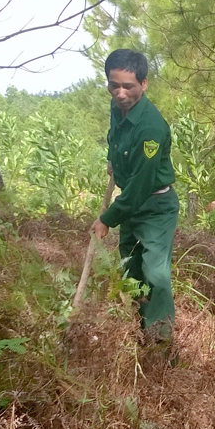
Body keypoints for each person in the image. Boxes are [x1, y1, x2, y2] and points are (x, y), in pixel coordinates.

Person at [92, 49, 179, 343]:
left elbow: (141, 186)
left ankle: (162, 343)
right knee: (130, 271)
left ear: (144, 84)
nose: (119, 93)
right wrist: (112, 159)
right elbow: (114, 137)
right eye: (113, 84)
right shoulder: (118, 108)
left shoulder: (151, 127)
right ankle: (140, 332)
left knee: (156, 276)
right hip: (131, 201)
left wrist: (107, 219)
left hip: (154, 205)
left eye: (127, 86)